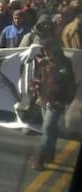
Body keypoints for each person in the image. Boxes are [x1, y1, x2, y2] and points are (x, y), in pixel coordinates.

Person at [31, 31, 77, 170]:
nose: (46, 52)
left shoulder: (63, 63)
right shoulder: (44, 61)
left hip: (56, 100)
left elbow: (68, 82)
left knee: (47, 127)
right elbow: (38, 76)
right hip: (44, 98)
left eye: (47, 50)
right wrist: (37, 82)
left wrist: (66, 101)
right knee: (50, 129)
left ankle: (40, 157)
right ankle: (50, 154)